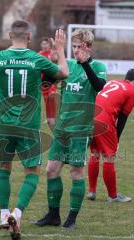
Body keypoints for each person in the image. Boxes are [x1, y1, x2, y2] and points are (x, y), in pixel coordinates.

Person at [0, 20, 68, 240]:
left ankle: (4, 214)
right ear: (30, 36)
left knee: (3, 168)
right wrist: (60, 50)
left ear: (8, 34)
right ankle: (17, 212)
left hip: (3, 124)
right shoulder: (37, 60)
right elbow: (63, 73)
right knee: (31, 172)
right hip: (28, 126)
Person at [35, 29, 107, 228]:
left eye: (79, 47)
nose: (75, 51)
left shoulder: (98, 66)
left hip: (81, 129)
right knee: (51, 170)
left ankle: (72, 218)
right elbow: (45, 84)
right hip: (62, 129)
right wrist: (52, 64)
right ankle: (53, 215)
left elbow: (99, 86)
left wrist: (85, 64)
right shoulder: (69, 66)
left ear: (89, 47)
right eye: (73, 47)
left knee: (76, 172)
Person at [87, 69, 134, 203]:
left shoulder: (113, 82)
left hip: (92, 115)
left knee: (95, 154)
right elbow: (123, 118)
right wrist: (117, 140)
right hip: (105, 120)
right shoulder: (131, 90)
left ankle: (92, 191)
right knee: (109, 157)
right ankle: (112, 196)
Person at [39, 37, 57, 127]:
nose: (44, 45)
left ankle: (53, 118)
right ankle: (49, 118)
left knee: (51, 97)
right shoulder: (39, 55)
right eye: (43, 44)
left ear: (49, 45)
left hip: (52, 81)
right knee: (46, 100)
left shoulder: (52, 53)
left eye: (46, 44)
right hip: (42, 82)